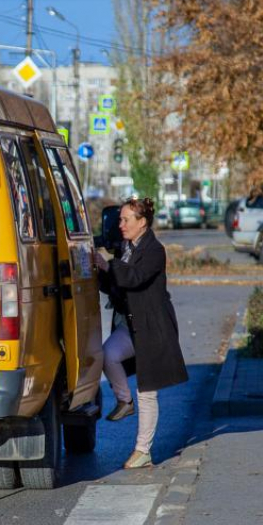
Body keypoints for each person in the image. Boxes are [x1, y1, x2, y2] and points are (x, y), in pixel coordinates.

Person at [94, 197, 189, 469]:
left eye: (125, 220)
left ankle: (143, 450)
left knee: (148, 391)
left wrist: (108, 266)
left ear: (142, 222)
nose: (120, 225)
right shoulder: (126, 247)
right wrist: (99, 273)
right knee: (108, 354)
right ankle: (125, 401)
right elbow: (115, 285)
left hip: (152, 327)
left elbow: (133, 278)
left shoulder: (154, 250)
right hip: (132, 325)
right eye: (120, 219)